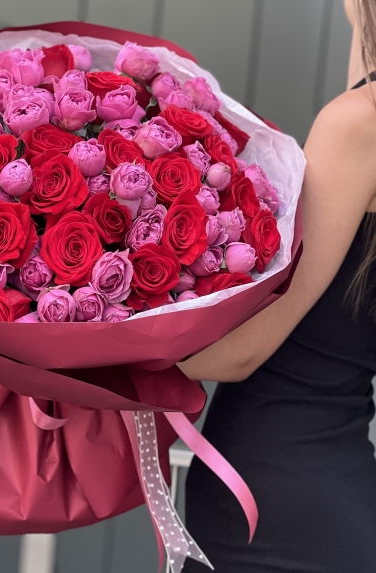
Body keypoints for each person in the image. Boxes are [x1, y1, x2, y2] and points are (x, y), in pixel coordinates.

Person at [180, 1, 376, 571]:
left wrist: (68, 332)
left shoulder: (358, 123)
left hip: (280, 517)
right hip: (311, 492)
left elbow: (239, 353)